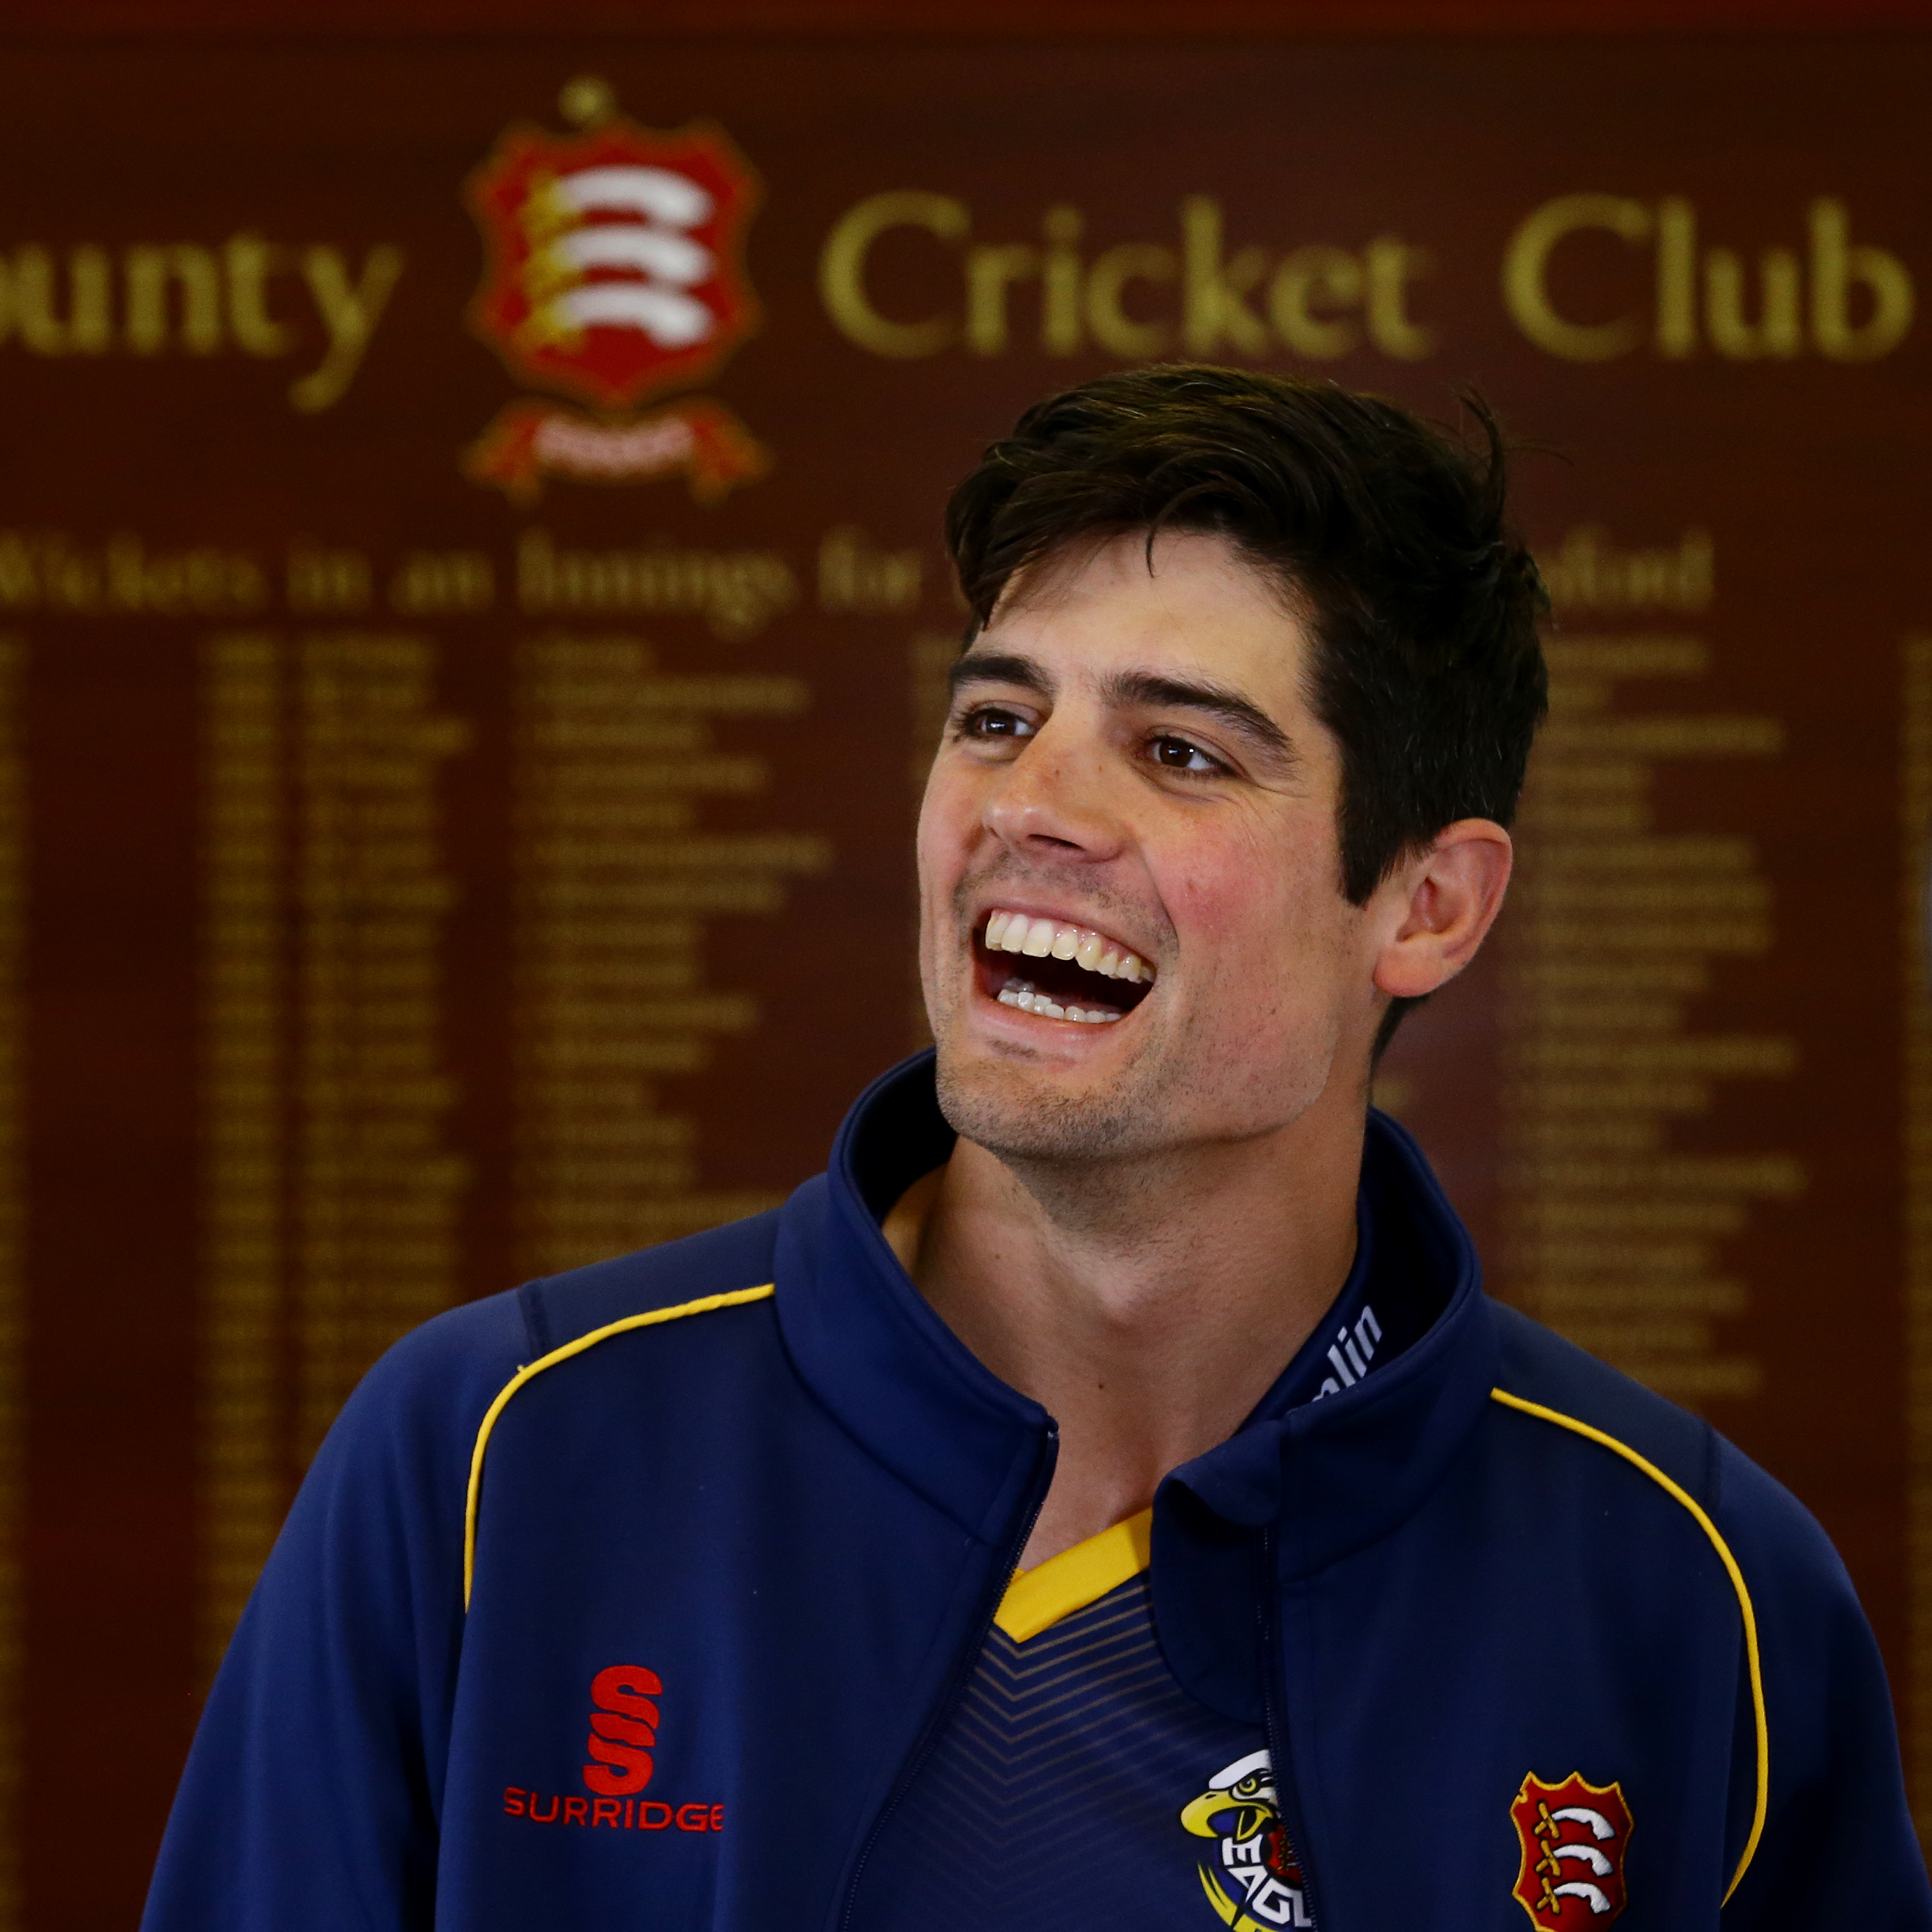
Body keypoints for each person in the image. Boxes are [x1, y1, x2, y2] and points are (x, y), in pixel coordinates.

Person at [142, 365, 1931, 1929]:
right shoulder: (492, 1458)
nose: (1032, 807)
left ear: (1429, 905)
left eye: (1181, 751)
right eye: (998, 718)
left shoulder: (1697, 1590)